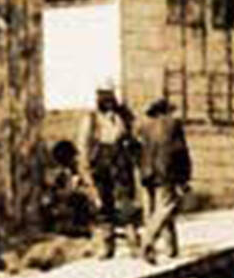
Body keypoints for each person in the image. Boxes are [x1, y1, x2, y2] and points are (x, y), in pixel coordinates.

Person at [77, 82, 141, 259]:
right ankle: (107, 245)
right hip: (101, 163)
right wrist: (85, 168)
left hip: (121, 162)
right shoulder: (91, 118)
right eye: (103, 96)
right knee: (104, 205)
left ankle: (134, 243)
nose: (108, 101)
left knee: (126, 202)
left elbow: (134, 137)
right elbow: (83, 144)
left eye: (110, 96)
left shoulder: (124, 116)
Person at [135, 97, 192, 264]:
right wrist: (185, 177)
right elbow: (180, 152)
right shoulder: (173, 125)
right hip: (166, 172)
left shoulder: (144, 127)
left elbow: (137, 150)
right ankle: (148, 240)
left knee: (155, 210)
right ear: (166, 111)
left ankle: (171, 248)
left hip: (147, 173)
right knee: (166, 208)